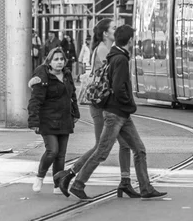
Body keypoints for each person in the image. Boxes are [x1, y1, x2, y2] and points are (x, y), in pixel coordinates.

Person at [66, 25, 166, 200]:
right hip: (115, 114)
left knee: (139, 149)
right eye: (133, 39)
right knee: (102, 151)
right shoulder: (120, 59)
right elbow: (118, 88)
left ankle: (145, 188)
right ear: (130, 41)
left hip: (120, 114)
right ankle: (78, 183)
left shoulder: (115, 55)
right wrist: (130, 104)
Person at [55, 19, 137, 199]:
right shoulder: (103, 50)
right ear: (106, 33)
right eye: (113, 28)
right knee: (102, 147)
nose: (116, 31)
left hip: (106, 104)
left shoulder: (106, 49)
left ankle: (125, 181)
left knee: (122, 145)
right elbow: (111, 79)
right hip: (102, 105)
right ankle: (70, 174)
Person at [27, 47, 80, 194]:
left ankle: (58, 184)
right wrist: (34, 121)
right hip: (47, 119)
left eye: (62, 59)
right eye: (56, 59)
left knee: (61, 155)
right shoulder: (42, 77)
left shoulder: (67, 75)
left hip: (64, 119)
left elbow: (72, 95)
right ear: (49, 61)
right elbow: (35, 100)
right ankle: (40, 176)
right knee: (52, 151)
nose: (60, 62)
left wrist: (75, 113)